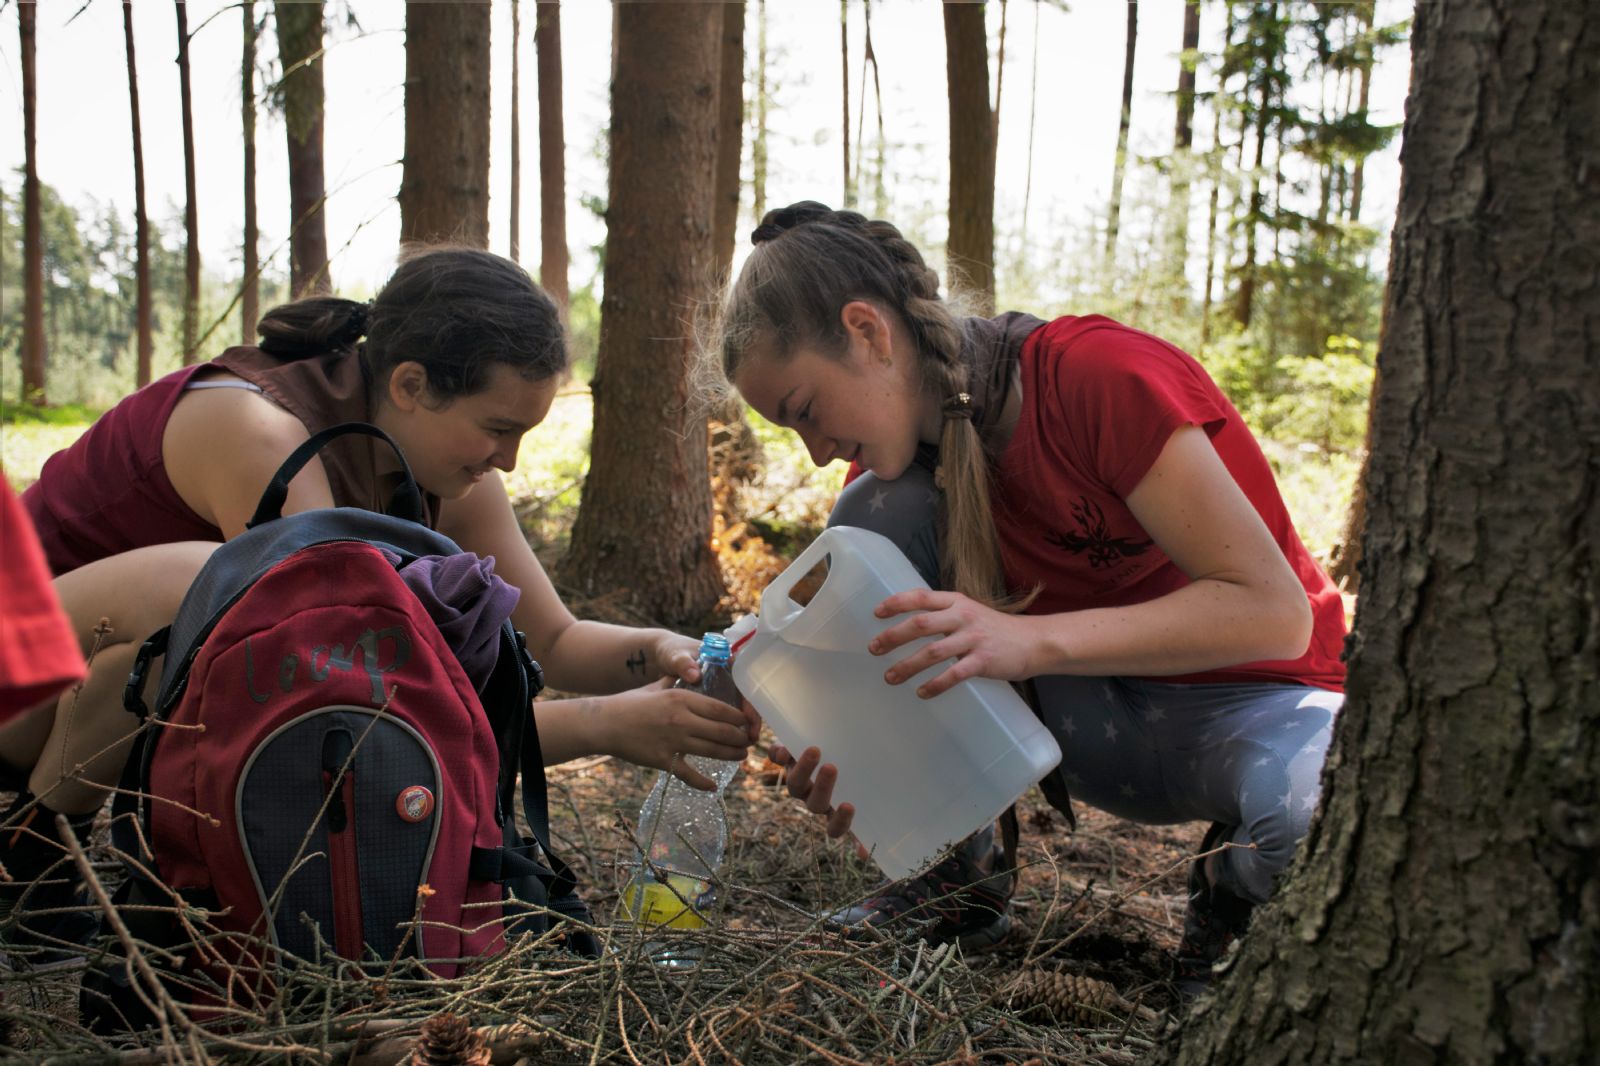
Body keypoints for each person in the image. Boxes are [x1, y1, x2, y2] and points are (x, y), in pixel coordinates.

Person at [3, 246, 757, 964]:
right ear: (409, 386)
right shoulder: (260, 434)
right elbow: (346, 700)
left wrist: (655, 650)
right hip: (20, 690)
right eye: (499, 429)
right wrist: (605, 726)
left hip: (96, 693)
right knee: (206, 586)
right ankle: (27, 851)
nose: (511, 460)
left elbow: (554, 640)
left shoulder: (437, 457)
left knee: (211, 603)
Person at [712, 202, 1346, 989]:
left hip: (1249, 706)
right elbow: (907, 674)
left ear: (868, 332)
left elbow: (1275, 616)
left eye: (804, 410)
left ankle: (1227, 922)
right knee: (868, 524)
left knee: (1310, 819)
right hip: (1082, 724)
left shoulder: (1096, 377)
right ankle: (959, 880)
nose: (812, 452)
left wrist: (1034, 640)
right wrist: (862, 758)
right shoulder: (896, 486)